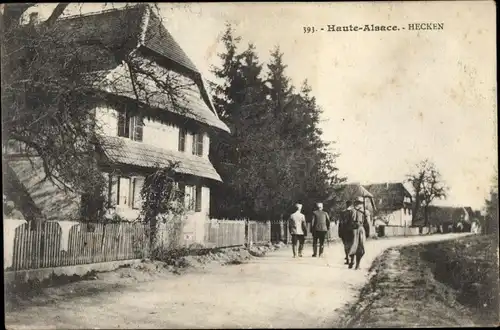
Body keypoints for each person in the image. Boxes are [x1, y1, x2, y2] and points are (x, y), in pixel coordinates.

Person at [347, 197, 367, 269]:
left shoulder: (362, 212)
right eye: (358, 203)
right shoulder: (353, 211)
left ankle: (356, 264)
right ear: (355, 203)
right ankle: (354, 263)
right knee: (355, 247)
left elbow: (365, 222)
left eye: (360, 203)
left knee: (360, 248)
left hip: (359, 229)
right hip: (355, 230)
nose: (360, 204)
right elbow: (351, 221)